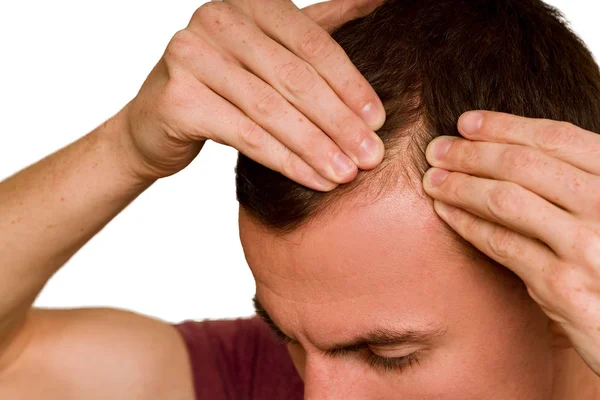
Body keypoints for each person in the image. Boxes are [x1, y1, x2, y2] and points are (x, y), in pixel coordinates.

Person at [0, 0, 599, 399]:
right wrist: (125, 146)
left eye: (387, 354)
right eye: (287, 336)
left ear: (555, 295)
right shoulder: (259, 378)